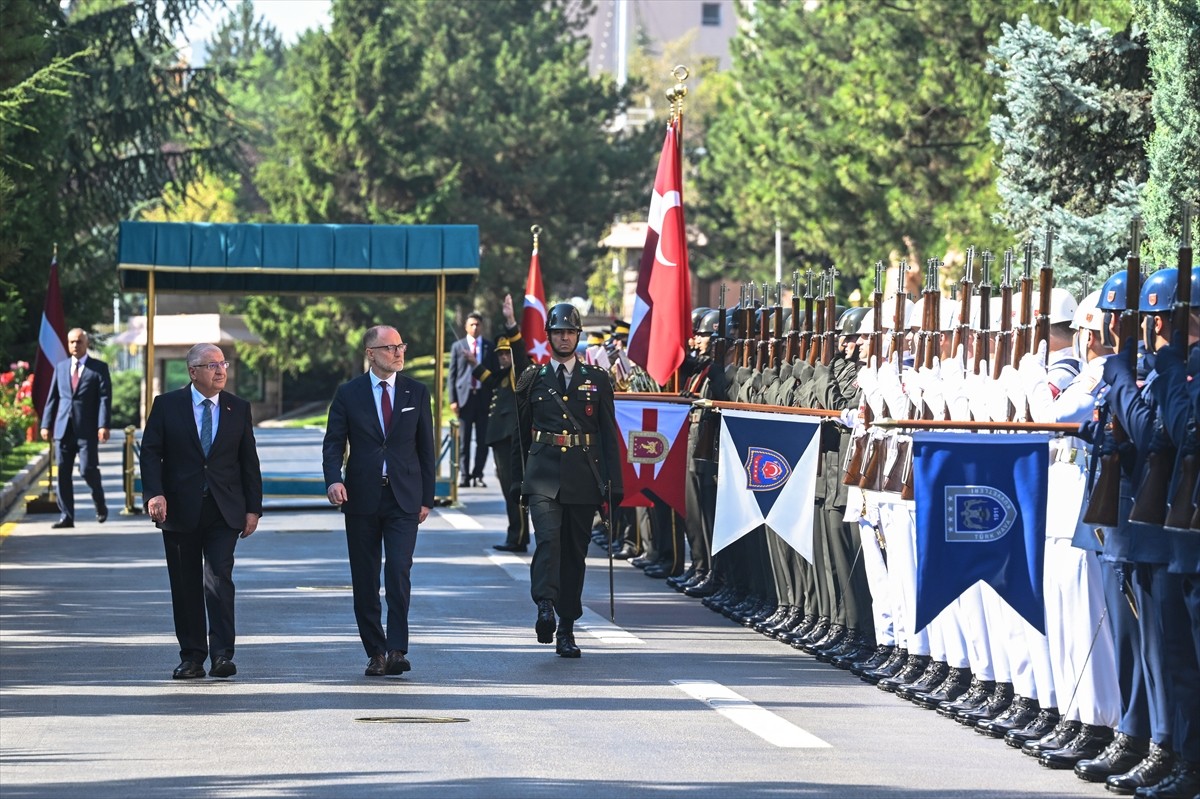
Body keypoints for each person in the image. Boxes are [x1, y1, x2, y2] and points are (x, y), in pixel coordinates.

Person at [140, 344, 262, 679]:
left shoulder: (238, 407)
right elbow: (150, 452)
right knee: (185, 583)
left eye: (223, 363)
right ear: (192, 371)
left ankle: (223, 654)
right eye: (211, 365)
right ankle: (193, 656)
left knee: (219, 579)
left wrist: (254, 509)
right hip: (179, 509)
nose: (220, 370)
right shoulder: (167, 406)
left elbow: (248, 461)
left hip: (224, 509)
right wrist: (154, 494)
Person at [323, 325, 434, 677]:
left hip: (403, 498)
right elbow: (333, 443)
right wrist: (333, 480)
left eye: (401, 346)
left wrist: (427, 498)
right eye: (390, 348)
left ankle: (397, 648)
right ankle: (376, 651)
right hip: (362, 498)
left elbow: (426, 449)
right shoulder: (348, 394)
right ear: (371, 353)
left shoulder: (416, 392)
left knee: (399, 571)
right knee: (366, 577)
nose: (398, 353)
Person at [512, 303, 622, 658]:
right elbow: (520, 435)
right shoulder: (533, 378)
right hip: (543, 474)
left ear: (577, 336)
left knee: (575, 553)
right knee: (548, 542)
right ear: (549, 336)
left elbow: (608, 434)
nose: (564, 337)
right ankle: (544, 604)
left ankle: (567, 626)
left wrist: (613, 485)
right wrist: (520, 480)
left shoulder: (598, 379)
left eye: (570, 332)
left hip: (583, 476)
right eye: (558, 331)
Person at [472, 295, 530, 552]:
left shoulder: (517, 373)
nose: (504, 358)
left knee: (513, 488)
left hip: (510, 438)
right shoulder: (503, 375)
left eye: (506, 354)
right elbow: (491, 381)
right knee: (507, 489)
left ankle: (517, 537)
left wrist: (511, 323)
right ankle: (515, 535)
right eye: (500, 354)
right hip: (500, 437)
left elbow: (519, 359)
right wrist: (473, 363)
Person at [40, 328, 112, 528]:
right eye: (71, 342)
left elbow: (105, 399)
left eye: (78, 342)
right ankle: (67, 516)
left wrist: (103, 424)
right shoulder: (61, 368)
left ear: (86, 343)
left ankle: (100, 502)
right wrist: (46, 424)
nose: (75, 345)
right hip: (63, 430)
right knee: (63, 472)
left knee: (87, 469)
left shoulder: (98, 368)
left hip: (87, 430)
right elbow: (52, 398)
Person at [448, 311, 493, 487]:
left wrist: (476, 362)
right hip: (464, 399)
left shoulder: (489, 347)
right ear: (466, 327)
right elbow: (452, 375)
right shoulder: (458, 347)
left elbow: (493, 375)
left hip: (483, 398)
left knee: (483, 440)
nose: (475, 327)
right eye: (472, 324)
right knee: (463, 441)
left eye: (478, 324)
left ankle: (478, 474)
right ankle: (464, 476)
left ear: (481, 327)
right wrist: (453, 399)